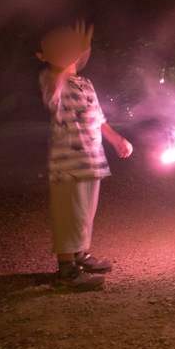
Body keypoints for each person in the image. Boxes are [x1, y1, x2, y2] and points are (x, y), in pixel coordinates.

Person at [36, 19, 133, 286]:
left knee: (85, 213)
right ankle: (66, 269)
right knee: (69, 213)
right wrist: (75, 53)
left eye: (70, 46)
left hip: (92, 160)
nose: (68, 50)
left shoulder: (85, 83)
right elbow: (64, 68)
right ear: (43, 56)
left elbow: (98, 118)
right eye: (60, 47)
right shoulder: (52, 81)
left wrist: (116, 139)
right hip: (67, 165)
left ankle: (80, 255)